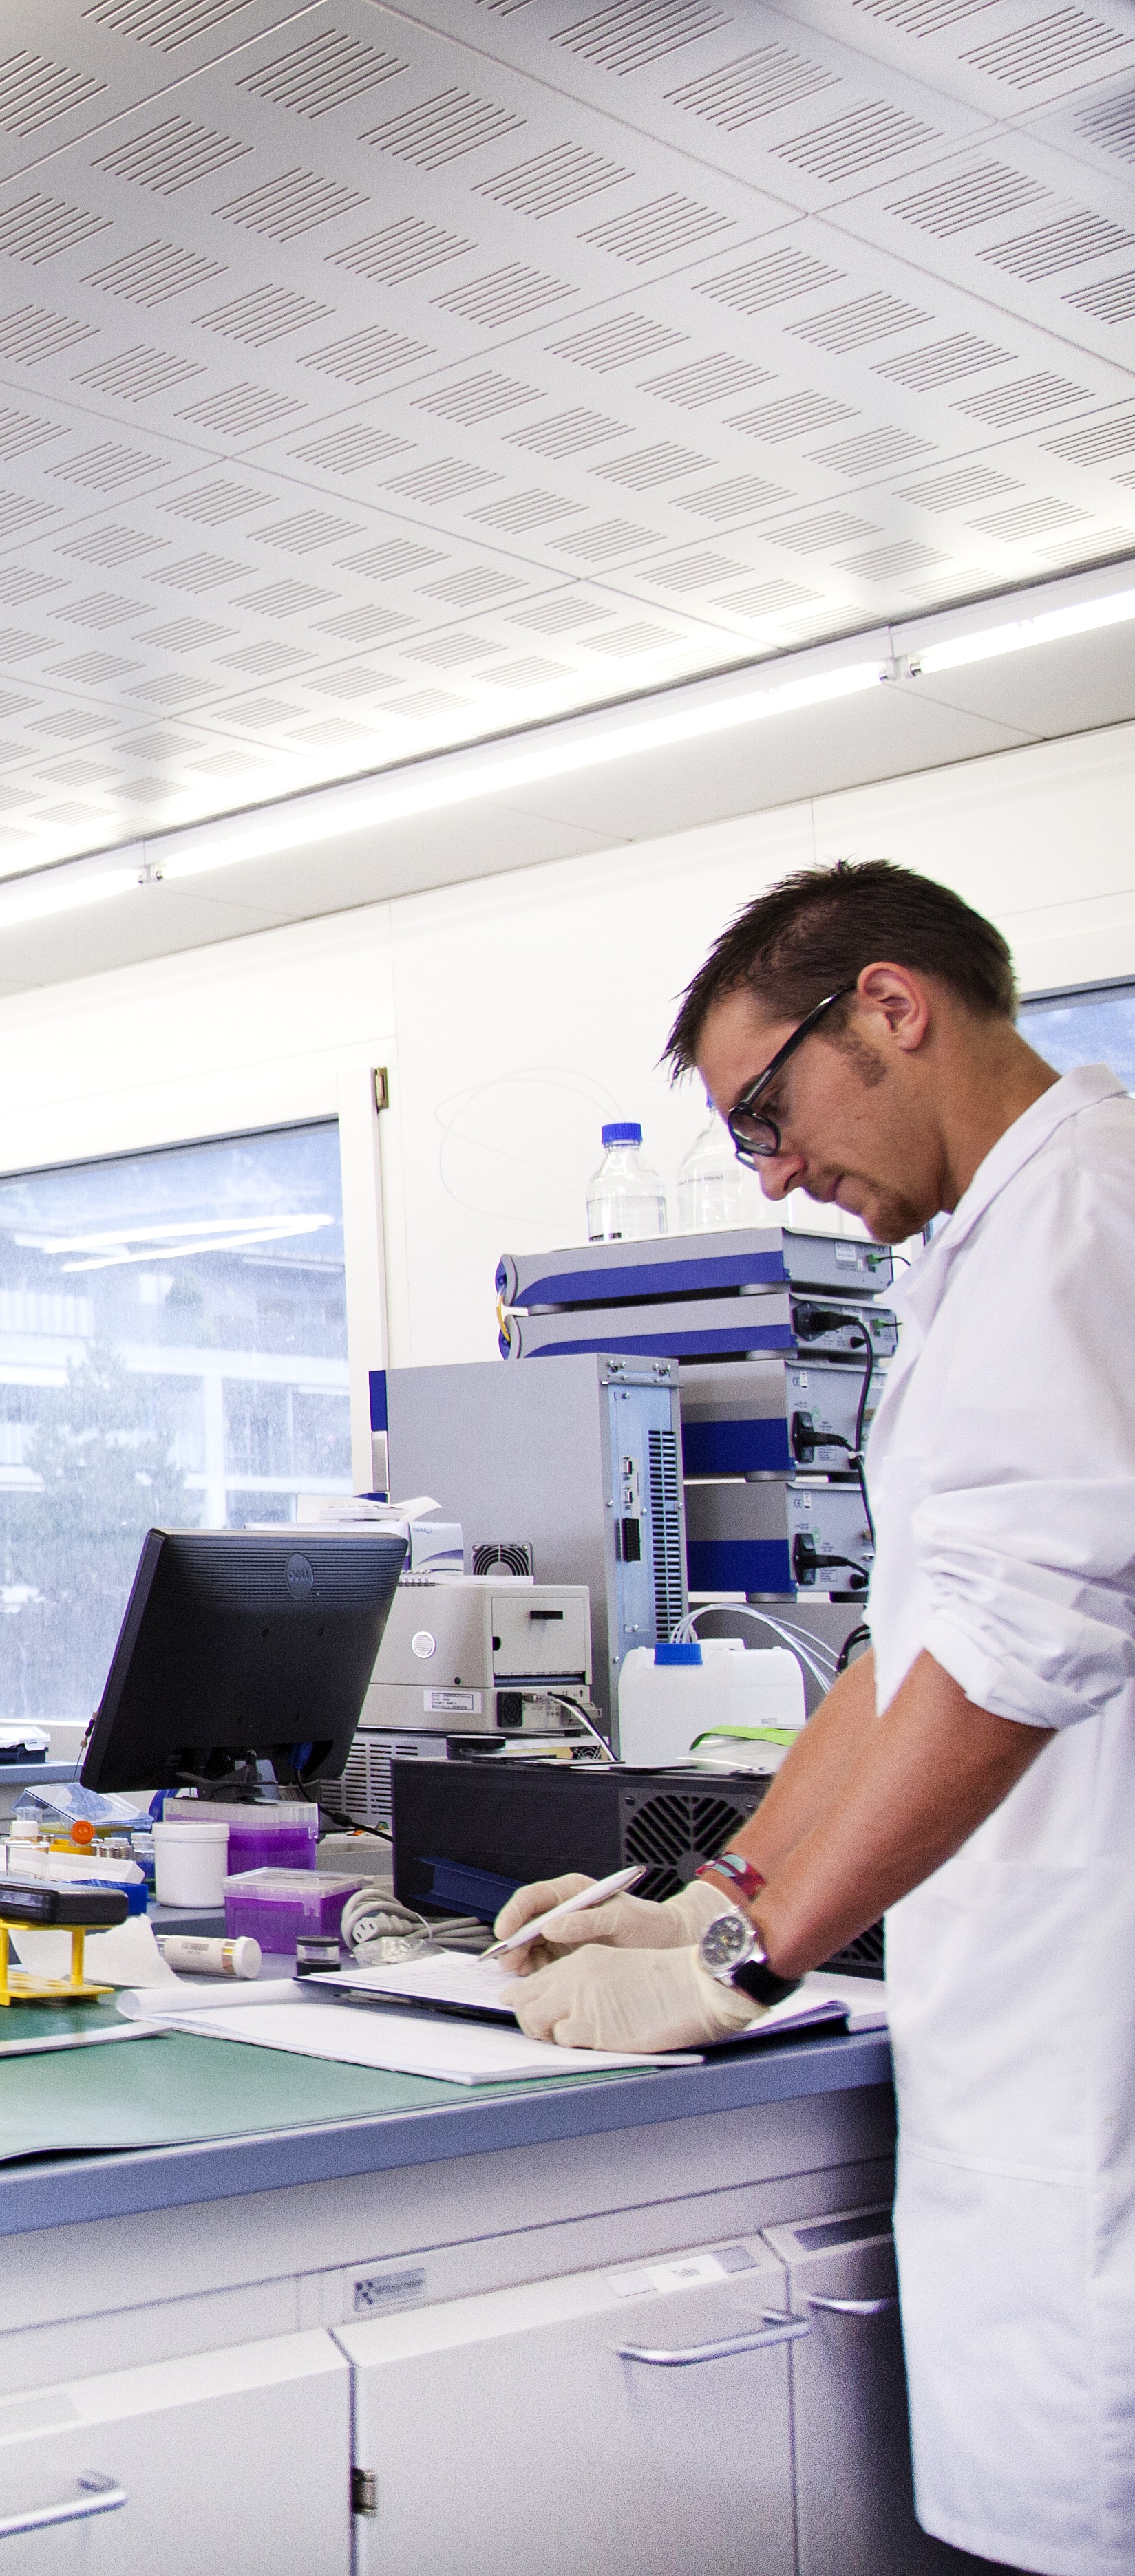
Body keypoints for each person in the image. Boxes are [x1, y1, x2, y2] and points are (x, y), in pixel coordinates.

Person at [498, 861, 1129, 2575]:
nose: (773, 1170)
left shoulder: (1077, 1216)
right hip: (1031, 2016)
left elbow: (1017, 1652)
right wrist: (719, 1879)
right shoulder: (983, 1243)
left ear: (891, 1007)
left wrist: (752, 1959)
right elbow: (905, 1642)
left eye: (766, 1109)